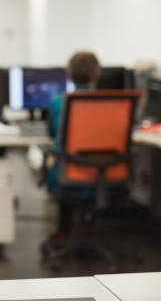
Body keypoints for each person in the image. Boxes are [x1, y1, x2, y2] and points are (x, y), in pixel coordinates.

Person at [47, 51, 101, 239]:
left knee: (61, 161)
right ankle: (87, 230)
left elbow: (53, 135)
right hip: (102, 171)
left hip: (68, 171)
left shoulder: (57, 102)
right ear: (96, 75)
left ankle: (64, 232)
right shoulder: (109, 103)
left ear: (68, 74)